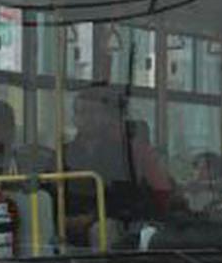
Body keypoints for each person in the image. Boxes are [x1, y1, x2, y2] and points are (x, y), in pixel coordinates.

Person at [62, 86, 173, 246]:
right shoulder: (64, 153)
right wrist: (63, 219)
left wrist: (92, 218)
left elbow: (142, 197)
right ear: (74, 118)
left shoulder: (128, 152)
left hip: (119, 227)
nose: (87, 118)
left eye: (94, 112)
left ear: (108, 117)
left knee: (104, 230)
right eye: (81, 112)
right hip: (67, 232)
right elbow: (51, 192)